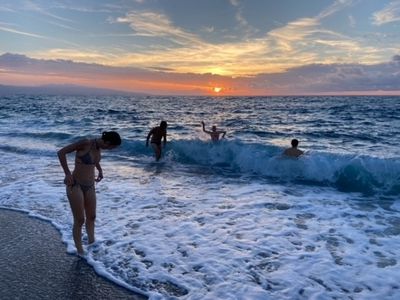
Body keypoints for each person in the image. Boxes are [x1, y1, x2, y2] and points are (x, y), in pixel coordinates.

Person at [57, 131, 121, 255]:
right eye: (111, 147)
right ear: (107, 142)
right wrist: (67, 173)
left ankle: (92, 244)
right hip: (75, 185)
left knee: (92, 217)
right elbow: (61, 152)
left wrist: (100, 171)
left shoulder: (98, 148)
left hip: (90, 185)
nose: (111, 150)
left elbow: (94, 160)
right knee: (80, 219)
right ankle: (80, 251)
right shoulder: (86, 143)